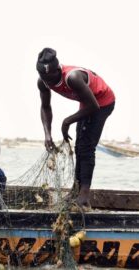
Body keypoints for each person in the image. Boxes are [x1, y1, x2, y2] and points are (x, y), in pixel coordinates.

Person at [36, 48, 115, 208]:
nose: (48, 82)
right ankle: (76, 190)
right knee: (79, 146)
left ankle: (84, 196)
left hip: (102, 102)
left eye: (51, 78)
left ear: (58, 69)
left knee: (86, 147)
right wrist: (47, 134)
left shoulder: (72, 77)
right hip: (87, 103)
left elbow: (94, 106)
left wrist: (67, 121)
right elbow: (45, 107)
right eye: (45, 78)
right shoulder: (43, 81)